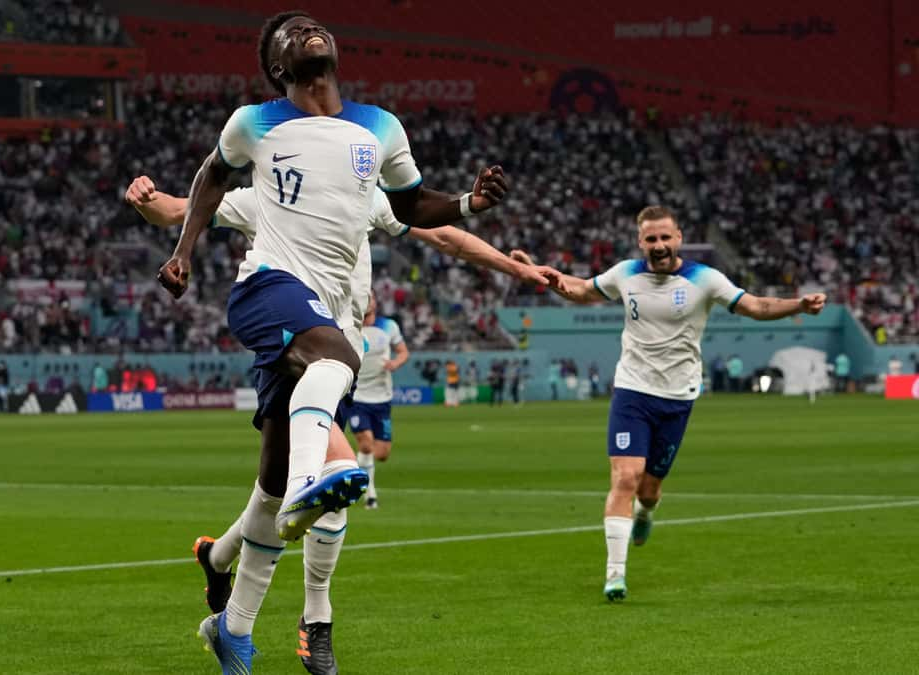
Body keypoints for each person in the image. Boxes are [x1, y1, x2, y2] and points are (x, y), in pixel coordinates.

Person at [152, 10, 550, 670]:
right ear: (278, 66)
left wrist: (472, 203)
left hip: (321, 326)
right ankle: (322, 499)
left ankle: (234, 625)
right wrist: (182, 251)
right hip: (269, 291)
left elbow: (415, 208)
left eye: (313, 25)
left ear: (335, 52)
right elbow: (208, 181)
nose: (306, 30)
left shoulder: (379, 129)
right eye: (288, 32)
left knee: (273, 485)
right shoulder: (255, 123)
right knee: (338, 366)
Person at [545, 205, 825, 602]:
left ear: (678, 237)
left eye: (664, 237)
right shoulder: (625, 274)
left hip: (678, 398)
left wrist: (799, 304)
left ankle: (646, 514)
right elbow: (580, 290)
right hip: (632, 392)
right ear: (640, 240)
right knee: (625, 478)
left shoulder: (704, 279)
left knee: (649, 490)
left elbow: (756, 306)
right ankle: (615, 575)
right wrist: (540, 274)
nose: (658, 245)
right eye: (650, 239)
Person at [349, 294, 407, 510]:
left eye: (370, 297)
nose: (368, 300)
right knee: (365, 443)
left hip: (382, 398)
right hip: (357, 396)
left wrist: (395, 363)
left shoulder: (388, 326)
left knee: (381, 453)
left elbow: (403, 352)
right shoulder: (349, 325)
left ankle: (352, 469)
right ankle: (370, 495)